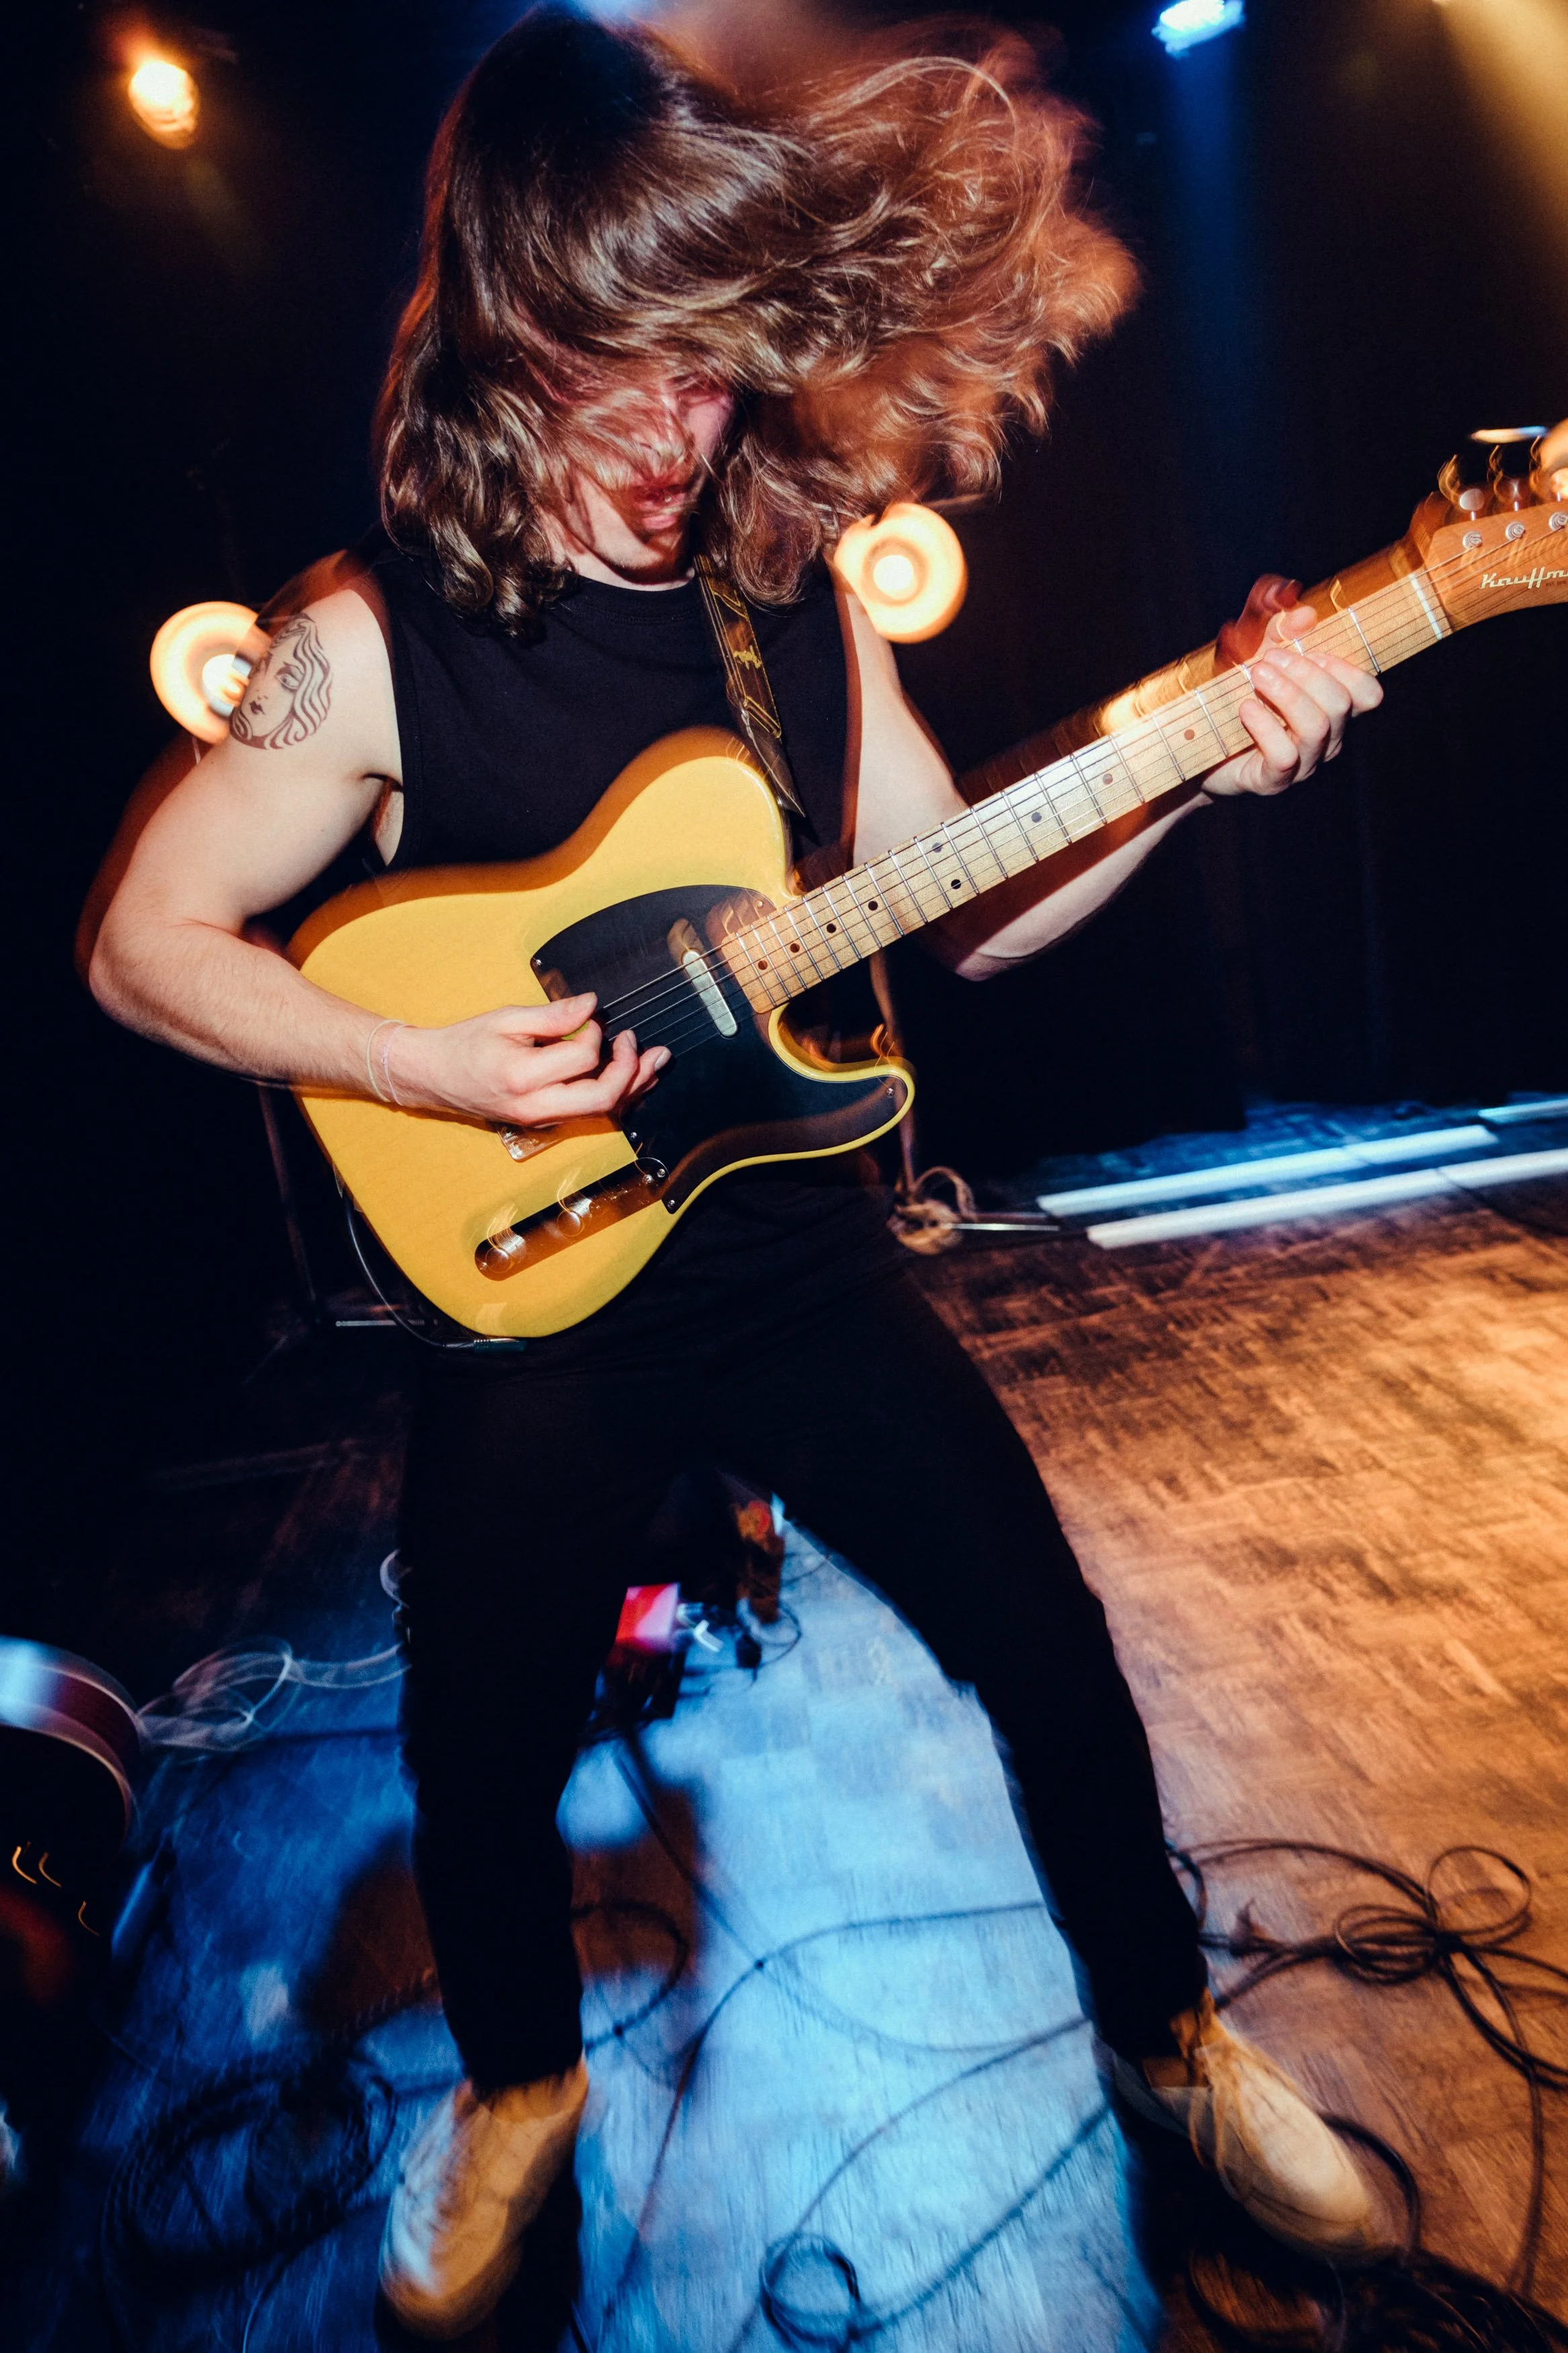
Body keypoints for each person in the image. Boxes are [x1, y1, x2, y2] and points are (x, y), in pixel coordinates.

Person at [89, 9, 1386, 2336]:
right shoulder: (370, 648)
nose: (684, 432)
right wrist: (415, 1059)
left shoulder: (774, 586)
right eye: (628, 370)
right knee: (476, 1749)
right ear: (509, 332)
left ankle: (1170, 2040)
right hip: (531, 1286)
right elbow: (139, 944)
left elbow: (958, 899)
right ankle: (516, 2101)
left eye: (711, 370)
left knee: (1049, 1645)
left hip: (782, 1257)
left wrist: (1195, 756)